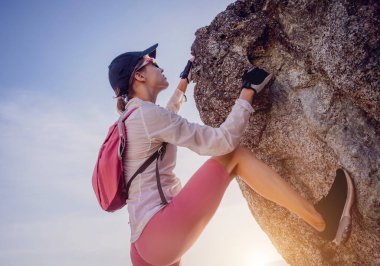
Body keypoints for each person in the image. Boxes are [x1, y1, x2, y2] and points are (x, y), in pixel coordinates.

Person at [107, 44, 354, 266]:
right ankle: (322, 221)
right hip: (159, 231)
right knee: (235, 156)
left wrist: (185, 80)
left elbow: (167, 116)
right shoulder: (147, 116)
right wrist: (248, 92)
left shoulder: (131, 118)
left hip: (142, 247)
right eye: (153, 64)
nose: (160, 67)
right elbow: (222, 142)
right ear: (139, 76)